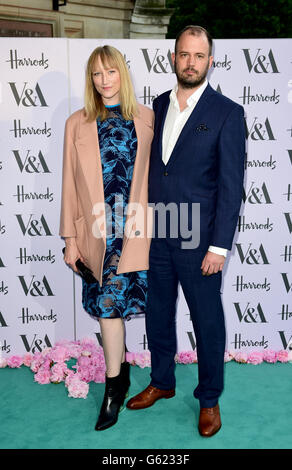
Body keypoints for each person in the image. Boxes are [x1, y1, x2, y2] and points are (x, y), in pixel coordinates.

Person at [126, 25, 245, 437]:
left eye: (198, 56)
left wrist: (219, 247)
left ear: (210, 61)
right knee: (157, 313)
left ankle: (209, 399)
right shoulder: (156, 106)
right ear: (173, 58)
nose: (190, 62)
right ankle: (162, 381)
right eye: (183, 54)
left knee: (206, 320)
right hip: (157, 235)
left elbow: (232, 187)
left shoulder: (227, 113)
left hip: (200, 242)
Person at [59, 45, 154, 431]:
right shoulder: (76, 123)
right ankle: (114, 387)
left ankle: (143, 376)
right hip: (98, 234)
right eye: (97, 74)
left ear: (122, 75)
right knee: (108, 308)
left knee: (141, 308)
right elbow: (68, 184)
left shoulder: (148, 118)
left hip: (140, 232)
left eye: (110, 72)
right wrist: (70, 238)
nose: (104, 81)